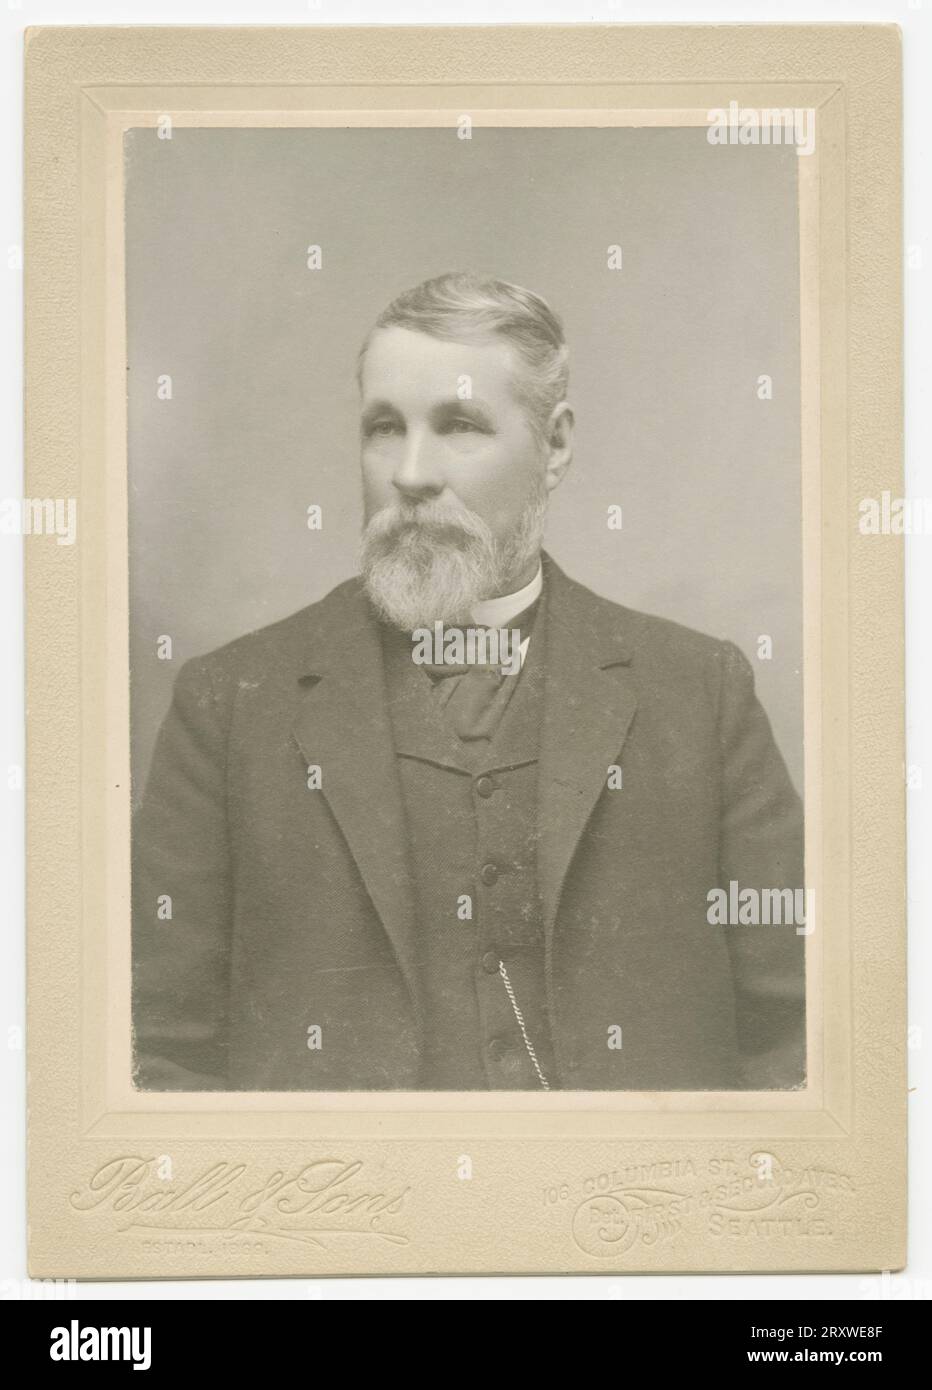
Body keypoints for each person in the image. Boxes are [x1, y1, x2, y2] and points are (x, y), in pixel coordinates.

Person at [132, 271, 806, 1093]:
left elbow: (801, 1040)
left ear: (554, 445)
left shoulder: (700, 694)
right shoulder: (229, 705)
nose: (410, 473)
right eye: (384, 428)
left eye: (457, 425)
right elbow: (159, 1054)